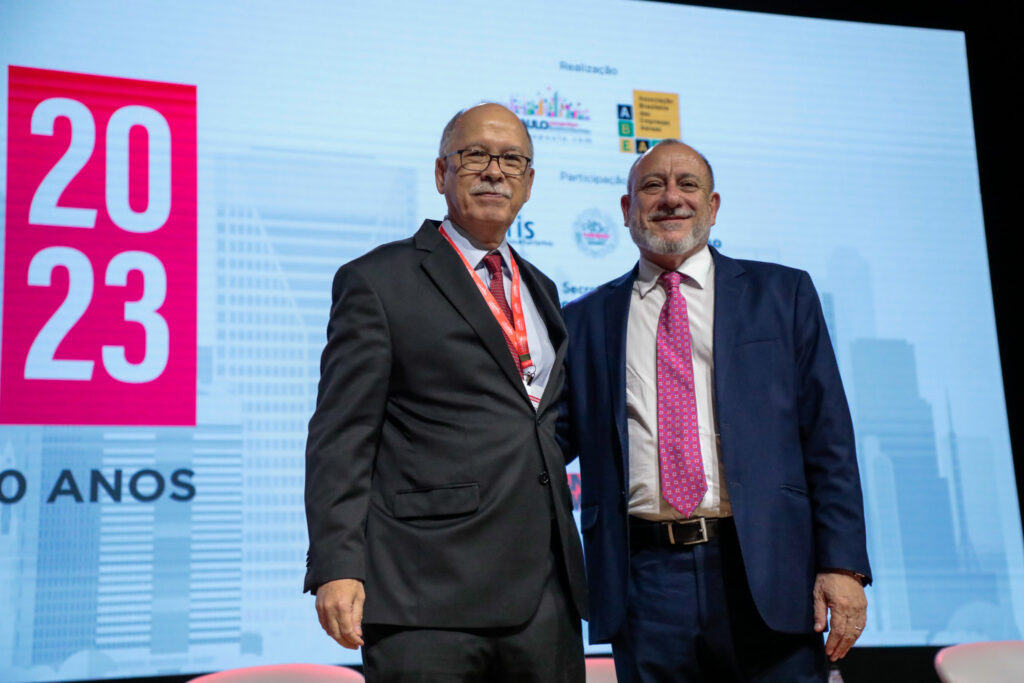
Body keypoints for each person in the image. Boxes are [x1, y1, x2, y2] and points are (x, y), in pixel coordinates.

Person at [560, 140, 871, 682]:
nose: (670, 198)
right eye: (652, 185)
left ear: (713, 205)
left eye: (688, 185)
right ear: (626, 208)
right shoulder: (585, 320)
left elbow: (828, 437)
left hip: (764, 569)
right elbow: (550, 439)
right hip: (644, 580)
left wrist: (842, 564)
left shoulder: (782, 293)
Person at [304, 103, 587, 682]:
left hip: (545, 595)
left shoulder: (543, 288)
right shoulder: (378, 281)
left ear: (529, 184)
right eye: (476, 155)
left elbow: (539, 427)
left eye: (512, 160)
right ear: (441, 174)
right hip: (424, 594)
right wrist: (337, 564)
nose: (494, 171)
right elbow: (342, 435)